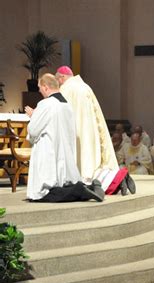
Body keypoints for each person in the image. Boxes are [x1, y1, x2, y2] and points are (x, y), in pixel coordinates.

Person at [25, 74, 104, 202]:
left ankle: (81, 190)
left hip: (48, 151)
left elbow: (33, 130)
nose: (39, 91)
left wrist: (33, 116)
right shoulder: (66, 105)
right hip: (63, 152)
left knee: (43, 193)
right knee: (61, 185)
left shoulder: (46, 104)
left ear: (45, 87)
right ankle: (90, 187)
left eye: (40, 88)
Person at [55, 66, 118, 182]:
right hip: (90, 128)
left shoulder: (66, 88)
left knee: (80, 152)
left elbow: (58, 110)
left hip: (77, 128)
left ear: (62, 77)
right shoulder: (85, 87)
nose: (58, 83)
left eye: (58, 80)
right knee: (89, 150)